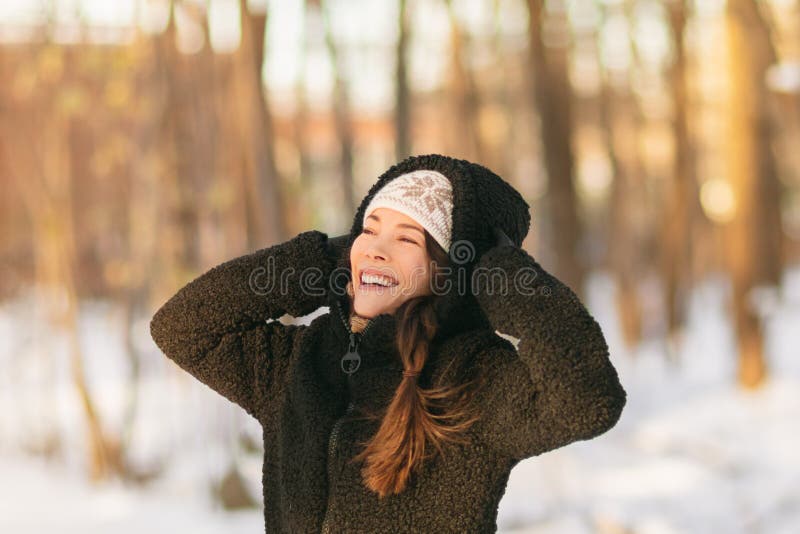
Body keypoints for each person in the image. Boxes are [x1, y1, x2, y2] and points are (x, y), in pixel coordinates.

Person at [150, 154, 627, 533]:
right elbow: (182, 327)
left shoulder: (474, 377)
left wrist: (502, 273)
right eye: (368, 229)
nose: (376, 247)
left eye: (407, 239)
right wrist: (324, 260)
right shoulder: (300, 361)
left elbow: (586, 401)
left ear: (450, 269)